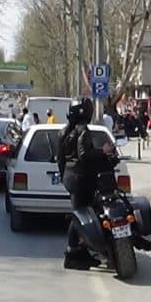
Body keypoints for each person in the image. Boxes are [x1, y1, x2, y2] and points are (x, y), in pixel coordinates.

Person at [58, 97, 117, 270]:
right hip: (82, 178)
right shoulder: (83, 131)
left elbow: (60, 159)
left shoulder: (63, 132)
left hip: (71, 177)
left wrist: (65, 177)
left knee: (80, 213)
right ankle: (73, 253)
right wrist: (103, 151)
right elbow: (84, 155)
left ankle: (81, 250)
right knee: (81, 216)